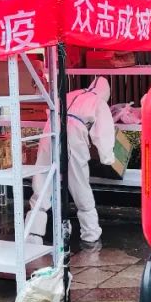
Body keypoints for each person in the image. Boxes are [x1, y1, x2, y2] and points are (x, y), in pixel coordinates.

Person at [26, 77, 115, 248]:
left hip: (51, 129)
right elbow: (104, 133)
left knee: (42, 179)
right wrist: (107, 158)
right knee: (79, 183)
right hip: (74, 135)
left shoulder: (71, 94)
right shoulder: (98, 102)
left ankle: (33, 234)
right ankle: (90, 233)